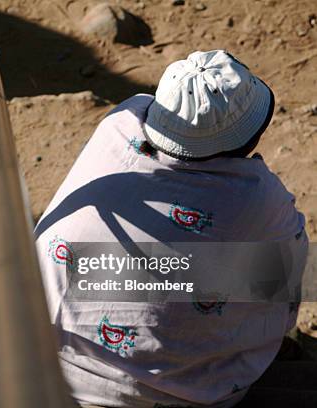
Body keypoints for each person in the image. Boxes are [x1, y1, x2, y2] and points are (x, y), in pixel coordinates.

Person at [34, 50, 308, 407]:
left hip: (41, 357)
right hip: (162, 396)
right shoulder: (255, 197)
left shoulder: (119, 123)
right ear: (243, 140)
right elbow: (286, 280)